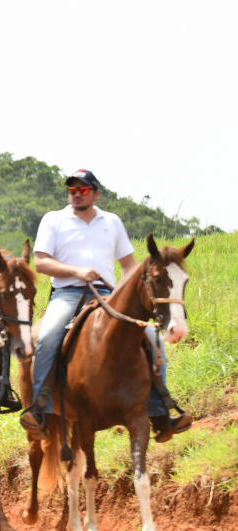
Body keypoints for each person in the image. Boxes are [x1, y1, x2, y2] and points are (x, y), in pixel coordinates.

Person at [19, 169, 192, 442]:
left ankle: (161, 412)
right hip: (66, 292)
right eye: (72, 190)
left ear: (96, 193)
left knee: (152, 337)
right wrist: (77, 272)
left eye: (83, 190)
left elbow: (128, 267)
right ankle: (40, 409)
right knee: (48, 336)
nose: (77, 194)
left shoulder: (111, 222)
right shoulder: (53, 220)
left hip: (108, 294)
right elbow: (40, 262)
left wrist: (129, 296)